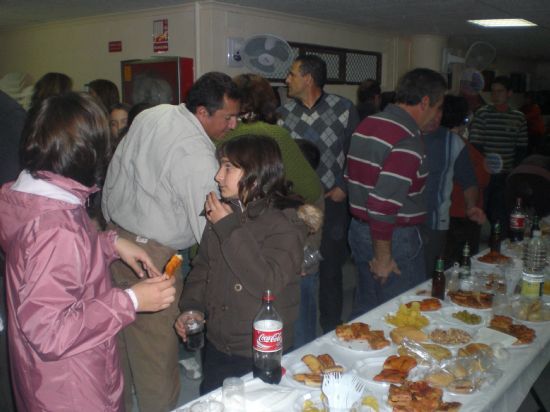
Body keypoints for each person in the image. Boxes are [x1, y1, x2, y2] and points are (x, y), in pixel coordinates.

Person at [0, 92, 176, 412]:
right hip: (71, 387)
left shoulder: (38, 198)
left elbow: (55, 264)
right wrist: (131, 300)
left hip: (49, 379)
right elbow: (51, 330)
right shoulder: (55, 228)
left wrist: (110, 244)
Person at [102, 72, 240, 412]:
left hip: (112, 241)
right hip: (152, 256)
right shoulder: (196, 156)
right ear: (203, 113)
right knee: (155, 362)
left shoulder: (153, 113)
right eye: (228, 117)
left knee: (115, 356)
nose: (234, 125)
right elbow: (210, 232)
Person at [176, 135, 321, 394]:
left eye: (228, 167)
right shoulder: (225, 213)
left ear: (255, 173)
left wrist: (227, 227)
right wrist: (192, 308)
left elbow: (268, 284)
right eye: (221, 166)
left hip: (259, 348)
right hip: (219, 342)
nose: (218, 176)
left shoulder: (286, 222)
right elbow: (203, 268)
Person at [221, 73, 324, 347]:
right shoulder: (275, 135)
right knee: (293, 311)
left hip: (230, 232)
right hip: (274, 236)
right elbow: (312, 188)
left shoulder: (222, 136)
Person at [346, 67, 447, 314]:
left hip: (360, 230)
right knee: (403, 315)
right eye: (437, 106)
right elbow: (382, 204)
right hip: (392, 238)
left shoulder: (369, 123)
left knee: (368, 310)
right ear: (425, 102)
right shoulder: (407, 138)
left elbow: (351, 176)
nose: (436, 115)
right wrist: (383, 257)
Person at [278, 54, 359, 333]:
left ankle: (331, 329)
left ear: (308, 79)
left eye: (292, 74)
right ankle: (300, 331)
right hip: (297, 204)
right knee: (298, 267)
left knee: (330, 269)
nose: (287, 79)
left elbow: (356, 153)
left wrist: (344, 186)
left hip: (332, 200)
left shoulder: (344, 108)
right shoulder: (283, 113)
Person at [422, 95, 485, 275]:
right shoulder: (404, 135)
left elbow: (469, 181)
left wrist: (471, 206)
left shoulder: (453, 142)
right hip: (401, 224)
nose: (436, 117)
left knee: (431, 275)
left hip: (435, 224)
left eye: (440, 111)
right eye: (432, 111)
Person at [469, 76, 528, 236]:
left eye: (500, 91)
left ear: (509, 93)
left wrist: (513, 172)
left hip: (505, 174)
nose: (495, 95)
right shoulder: (483, 114)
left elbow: (521, 148)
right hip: (485, 174)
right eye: (493, 92)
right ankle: (472, 248)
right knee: (479, 211)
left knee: (500, 215)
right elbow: (476, 146)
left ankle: (498, 249)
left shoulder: (518, 117)